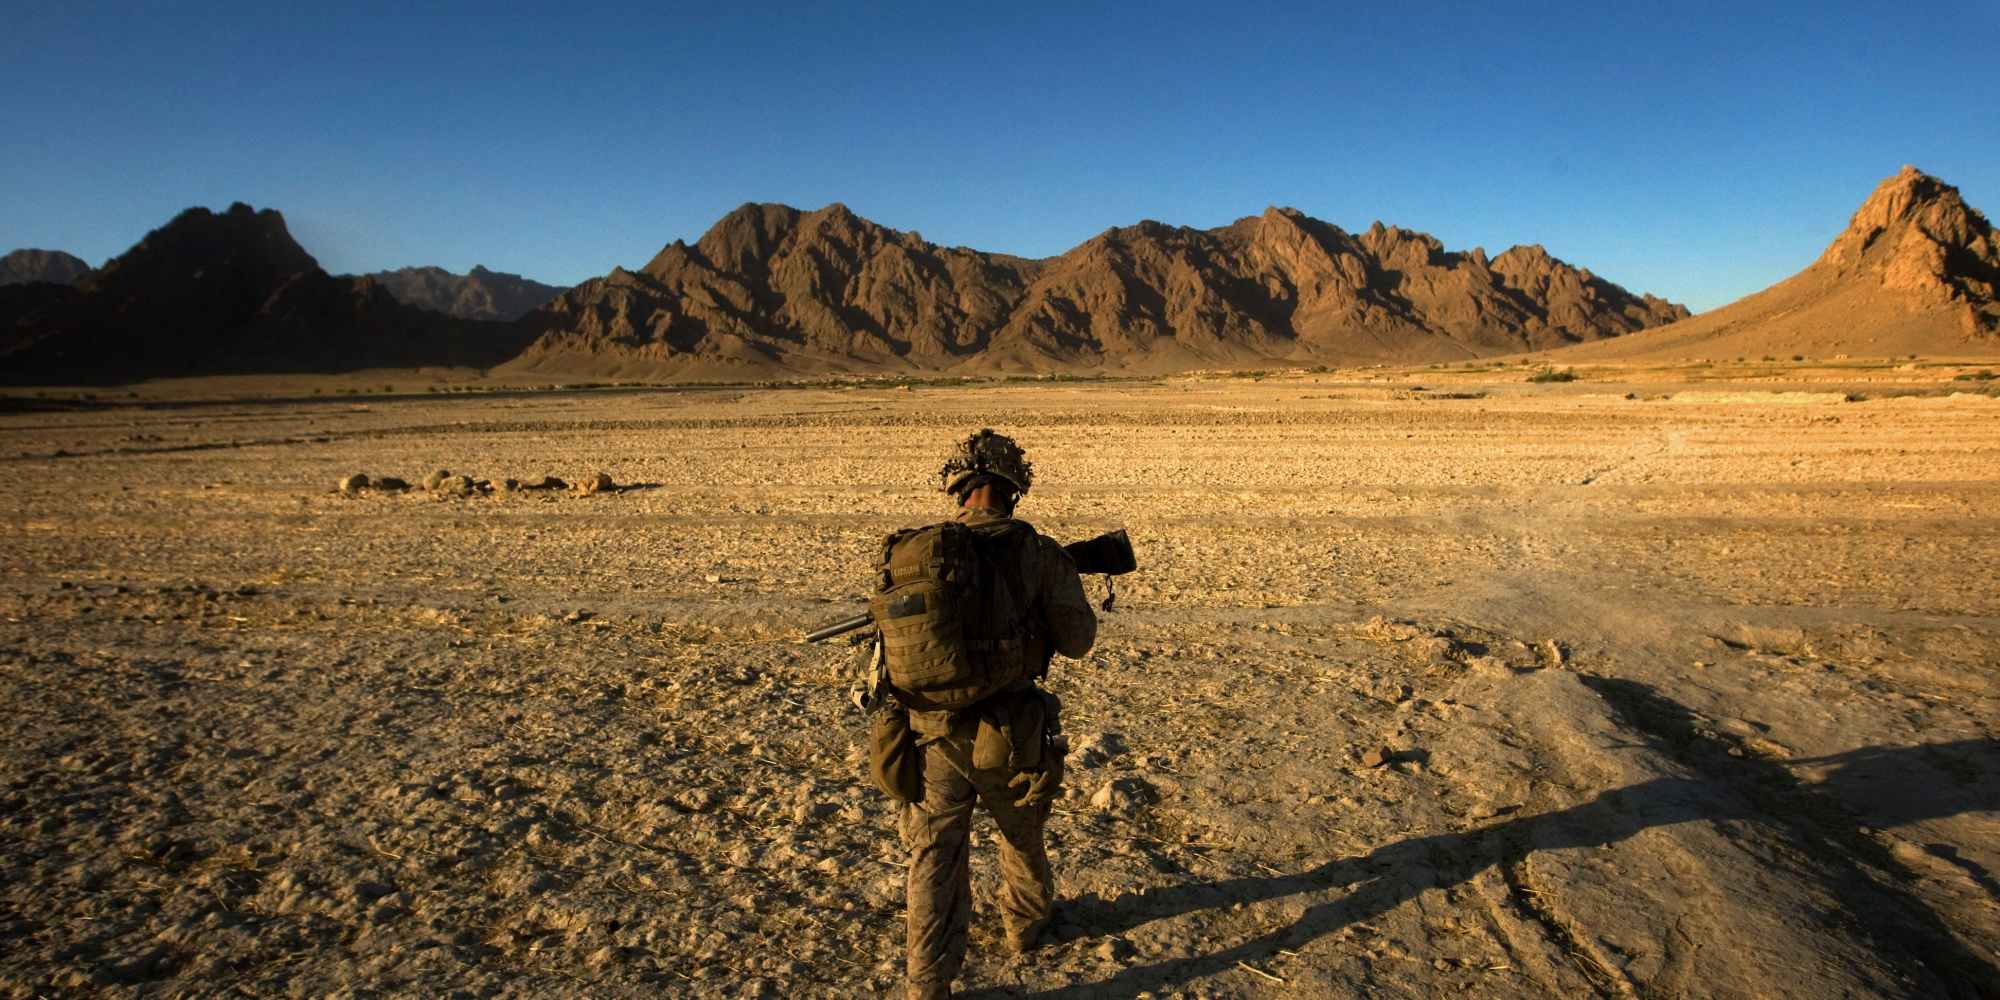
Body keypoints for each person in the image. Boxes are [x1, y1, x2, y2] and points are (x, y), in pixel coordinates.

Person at [896, 429, 1097, 1000]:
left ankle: (925, 983)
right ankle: (1025, 929)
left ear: (957, 488)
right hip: (1012, 733)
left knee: (934, 853)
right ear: (1015, 489)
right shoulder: (1037, 552)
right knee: (1021, 831)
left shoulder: (920, 555)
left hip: (932, 732)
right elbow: (1078, 640)